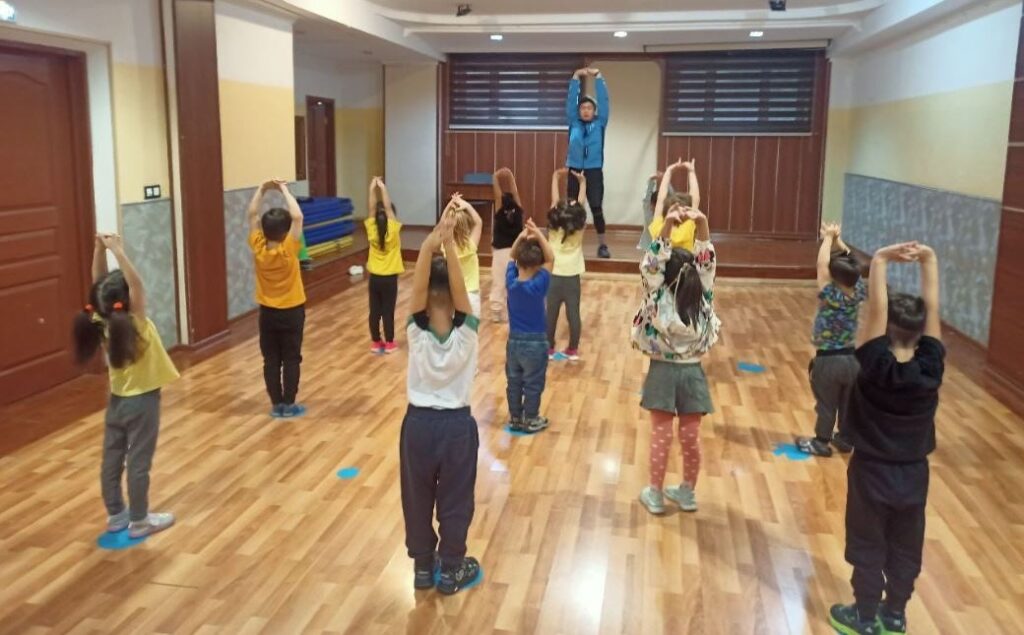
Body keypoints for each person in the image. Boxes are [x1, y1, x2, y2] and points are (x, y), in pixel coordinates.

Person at [829, 242, 944, 635]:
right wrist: (929, 261)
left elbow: (876, 311)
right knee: (905, 546)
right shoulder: (930, 368)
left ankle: (863, 617)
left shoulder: (873, 364)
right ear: (922, 332)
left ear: (878, 331)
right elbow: (932, 312)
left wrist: (879, 261)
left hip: (871, 472)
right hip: (913, 475)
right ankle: (895, 615)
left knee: (867, 544)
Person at [72, 233, 179, 539]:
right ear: (128, 301)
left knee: (112, 459)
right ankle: (141, 520)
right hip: (143, 403)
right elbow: (137, 285)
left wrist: (98, 250)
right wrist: (117, 250)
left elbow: (97, 284)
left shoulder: (101, 321)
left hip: (117, 402)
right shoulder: (136, 323)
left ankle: (117, 516)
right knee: (138, 462)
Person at [401, 214, 482, 596]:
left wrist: (430, 243)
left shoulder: (415, 331)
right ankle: (450, 570)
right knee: (456, 499)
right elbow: (460, 292)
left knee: (416, 498)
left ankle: (422, 567)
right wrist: (449, 244)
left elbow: (418, 288)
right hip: (456, 429)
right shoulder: (467, 332)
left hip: (417, 427)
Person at [631, 171, 721, 514]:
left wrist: (667, 228)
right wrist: (703, 225)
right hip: (693, 373)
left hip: (662, 371)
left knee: (661, 435)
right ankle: (687, 492)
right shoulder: (703, 297)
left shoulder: (656, 298)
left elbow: (652, 263)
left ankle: (655, 493)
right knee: (690, 437)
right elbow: (707, 261)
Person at [797, 222, 866, 457]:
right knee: (847, 403)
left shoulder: (831, 293)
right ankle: (845, 439)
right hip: (852, 360)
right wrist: (838, 240)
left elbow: (821, 265)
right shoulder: (858, 291)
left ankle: (821, 442)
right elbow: (854, 263)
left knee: (827, 404)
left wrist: (828, 238)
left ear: (834, 277)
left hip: (828, 361)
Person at [247, 179, 307, 418]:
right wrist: (284, 189)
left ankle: (276, 404)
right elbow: (298, 216)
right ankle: (289, 405)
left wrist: (262, 189)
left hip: (268, 313)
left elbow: (252, 214)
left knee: (271, 359)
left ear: (265, 230)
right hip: (292, 311)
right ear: (286, 232)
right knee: (291, 358)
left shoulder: (259, 248)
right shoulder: (288, 249)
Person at [506, 219, 555, 433]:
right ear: (538, 265)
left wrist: (522, 236)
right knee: (533, 383)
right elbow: (551, 258)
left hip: (513, 342)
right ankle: (531, 418)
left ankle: (515, 417)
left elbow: (511, 256)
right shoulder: (538, 285)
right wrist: (538, 233)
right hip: (535, 343)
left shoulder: (511, 283)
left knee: (514, 381)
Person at [565, 66, 611, 258]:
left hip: (593, 171)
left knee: (596, 207)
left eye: (589, 108)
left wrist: (598, 77)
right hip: (574, 170)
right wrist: (576, 77)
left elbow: (604, 101)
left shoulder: (600, 123)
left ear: (594, 111)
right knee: (572, 208)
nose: (586, 111)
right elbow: (571, 101)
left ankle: (602, 245)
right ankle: (570, 244)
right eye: (582, 108)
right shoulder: (573, 122)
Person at [546, 168, 587, 361]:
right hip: (572, 278)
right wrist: (582, 183)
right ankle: (573, 350)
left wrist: (555, 177)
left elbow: (555, 202)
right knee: (573, 314)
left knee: (550, 314)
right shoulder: (578, 227)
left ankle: (549, 348)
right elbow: (581, 206)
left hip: (553, 275)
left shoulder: (553, 227)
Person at [365, 176, 403, 354]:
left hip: (375, 279)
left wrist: (372, 187)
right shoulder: (393, 232)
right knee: (388, 311)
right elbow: (388, 208)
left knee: (374, 311)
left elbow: (372, 208)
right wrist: (383, 187)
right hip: (389, 280)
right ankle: (389, 343)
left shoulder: (371, 232)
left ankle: (375, 342)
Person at [489, 167, 525, 323]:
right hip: (516, 252)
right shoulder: (518, 212)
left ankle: (496, 312)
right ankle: (516, 310)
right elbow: (515, 193)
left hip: (500, 253)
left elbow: (497, 195)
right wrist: (510, 177)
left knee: (498, 282)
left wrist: (495, 177)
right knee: (516, 281)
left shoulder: (499, 211)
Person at [442, 195, 484, 316]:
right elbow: (478, 222)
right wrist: (467, 205)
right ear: (465, 225)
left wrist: (449, 205)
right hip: (471, 295)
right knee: (471, 327)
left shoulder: (445, 247)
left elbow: (441, 225)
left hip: (453, 295)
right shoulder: (470, 245)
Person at [647, 159, 700, 252]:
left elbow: (660, 200)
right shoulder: (688, 225)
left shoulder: (659, 227)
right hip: (686, 261)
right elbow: (695, 199)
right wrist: (691, 171)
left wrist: (668, 172)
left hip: (660, 262)